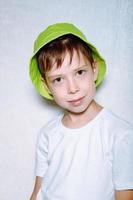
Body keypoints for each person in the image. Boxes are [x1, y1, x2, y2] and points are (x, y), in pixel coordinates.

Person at [29, 23, 133, 200]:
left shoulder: (120, 134)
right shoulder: (48, 133)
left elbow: (125, 195)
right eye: (59, 79)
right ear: (47, 86)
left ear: (94, 69)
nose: (72, 88)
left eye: (79, 72)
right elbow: (38, 191)